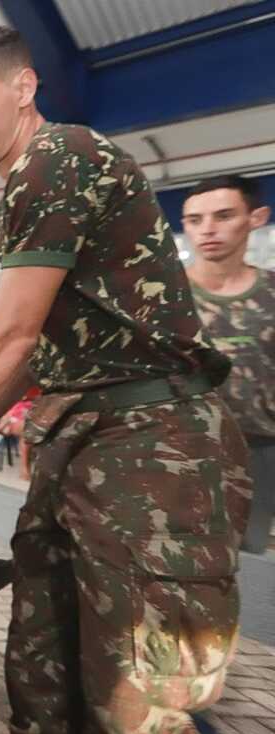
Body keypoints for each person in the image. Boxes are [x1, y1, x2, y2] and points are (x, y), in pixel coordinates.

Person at [0, 26, 251, 734]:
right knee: (45, 674)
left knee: (136, 708)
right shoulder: (30, 184)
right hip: (85, 437)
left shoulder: (58, 161)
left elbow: (10, 337)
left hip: (151, 447)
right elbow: (32, 353)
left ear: (23, 89)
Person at [183, 176, 274, 555]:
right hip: (176, 452)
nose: (208, 230)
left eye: (223, 216)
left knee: (245, 567)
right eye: (194, 219)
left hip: (258, 456)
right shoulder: (161, 297)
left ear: (256, 218)